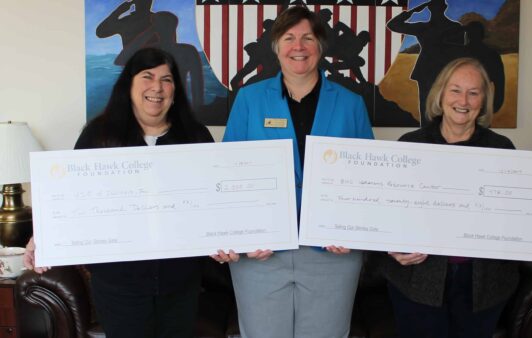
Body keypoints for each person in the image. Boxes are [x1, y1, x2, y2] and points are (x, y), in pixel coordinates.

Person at [24, 47, 214, 338]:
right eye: (147, 76)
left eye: (167, 79)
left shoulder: (196, 136)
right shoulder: (99, 136)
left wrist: (231, 238)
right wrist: (43, 236)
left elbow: (214, 202)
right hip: (118, 284)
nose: (157, 87)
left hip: (181, 283)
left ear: (175, 89)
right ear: (129, 84)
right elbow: (72, 196)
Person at [211, 6, 374, 338]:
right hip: (261, 254)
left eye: (307, 38)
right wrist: (239, 236)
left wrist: (353, 230)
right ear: (276, 46)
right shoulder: (249, 99)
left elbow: (366, 180)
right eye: (289, 38)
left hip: (332, 255)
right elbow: (229, 176)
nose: (298, 46)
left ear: (321, 46)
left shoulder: (351, 103)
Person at [377, 57, 532, 338]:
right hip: (417, 282)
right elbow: (386, 209)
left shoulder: (502, 148)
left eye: (473, 92)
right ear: (440, 95)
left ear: (483, 101)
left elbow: (515, 211)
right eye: (455, 90)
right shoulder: (411, 145)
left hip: (484, 285)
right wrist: (391, 247)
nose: (463, 100)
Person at [387, 0, 465, 126]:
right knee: (432, 105)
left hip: (437, 70)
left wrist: (413, 11)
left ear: (429, 9)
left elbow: (393, 24)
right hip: (438, 70)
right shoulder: (453, 27)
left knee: (433, 105)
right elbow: (392, 25)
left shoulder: (425, 27)